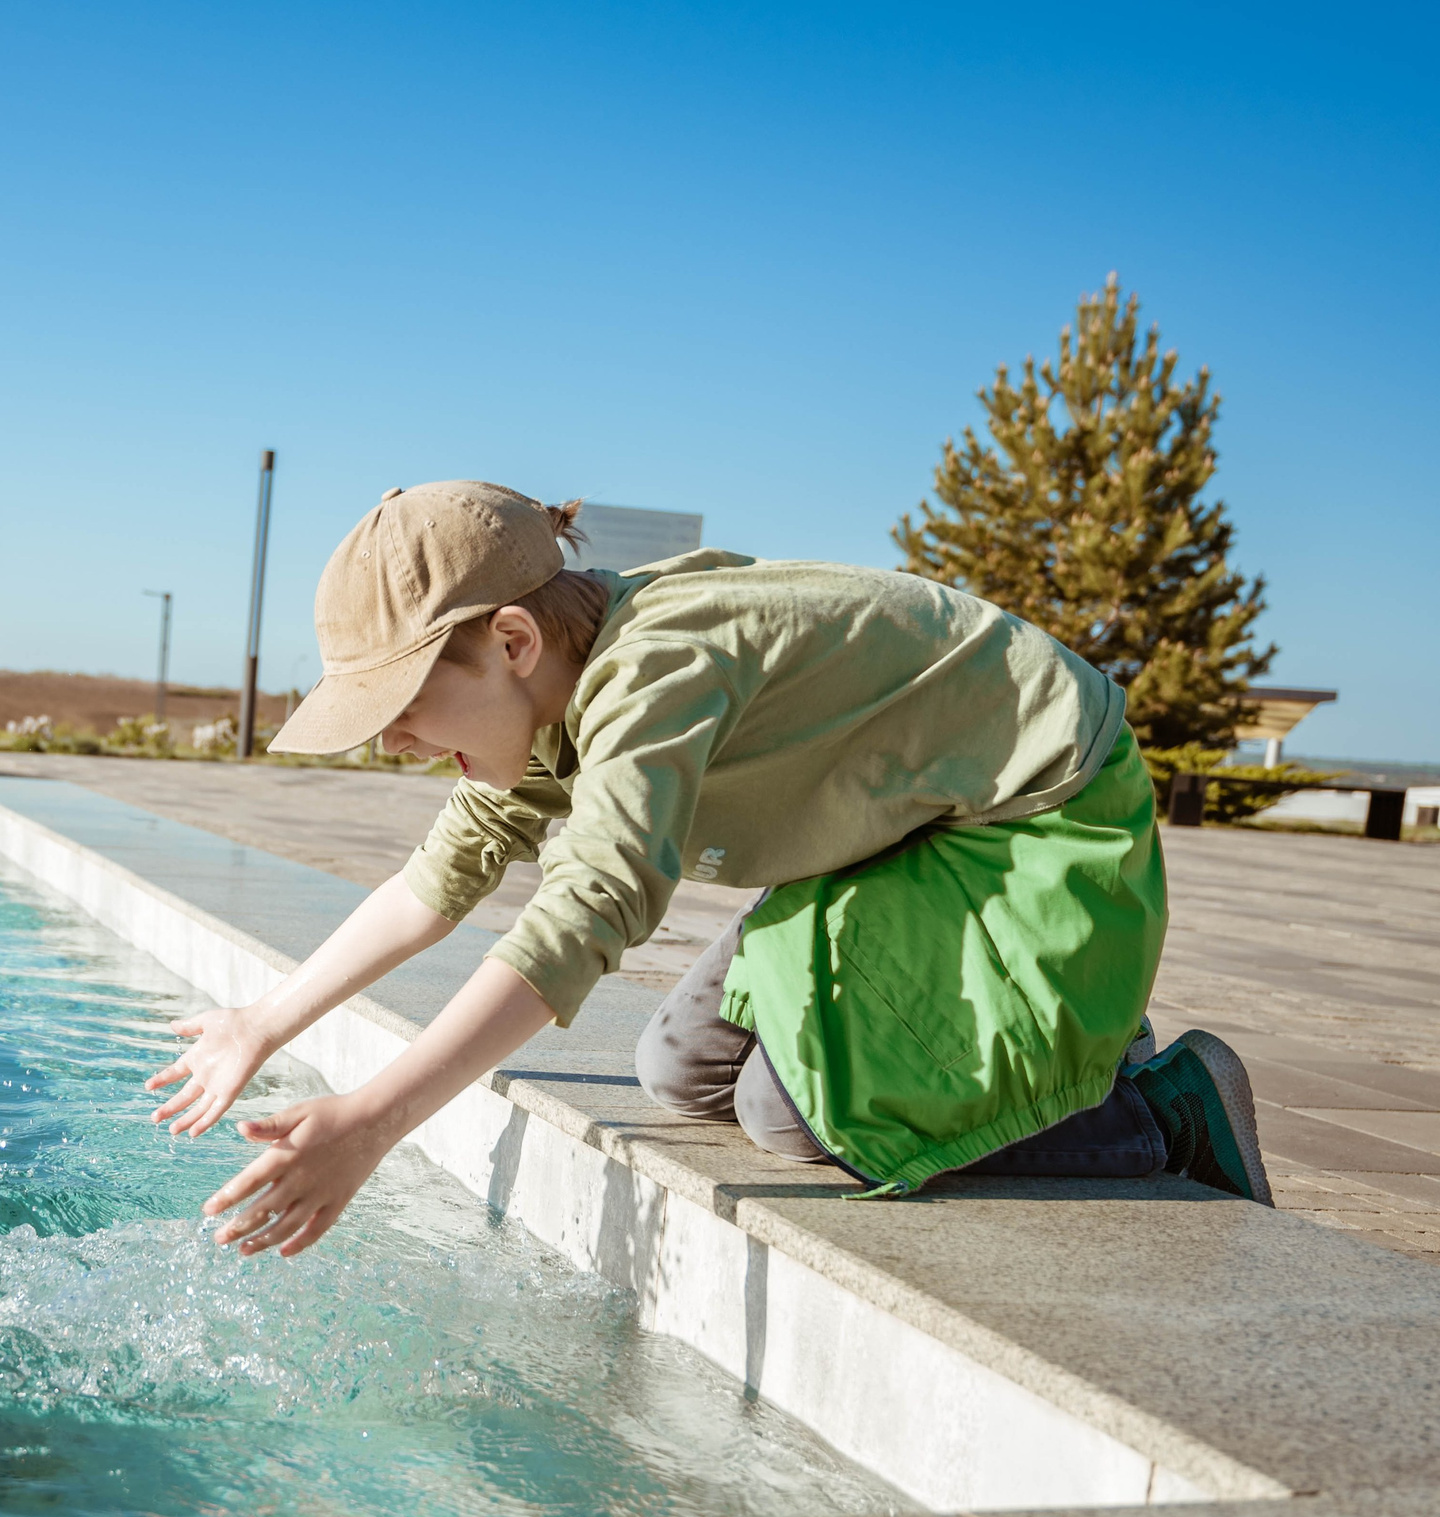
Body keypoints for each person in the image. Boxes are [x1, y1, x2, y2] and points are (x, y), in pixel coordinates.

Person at [146, 480, 1272, 1259]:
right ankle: (1038, 1042)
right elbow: (437, 878)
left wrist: (374, 1121)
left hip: (1027, 818)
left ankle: (1150, 1110)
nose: (387, 740)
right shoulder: (545, 699)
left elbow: (590, 906)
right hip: (901, 826)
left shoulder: (658, 671)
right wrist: (264, 1021)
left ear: (511, 642)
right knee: (680, 1069)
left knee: (799, 1113)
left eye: (397, 707)